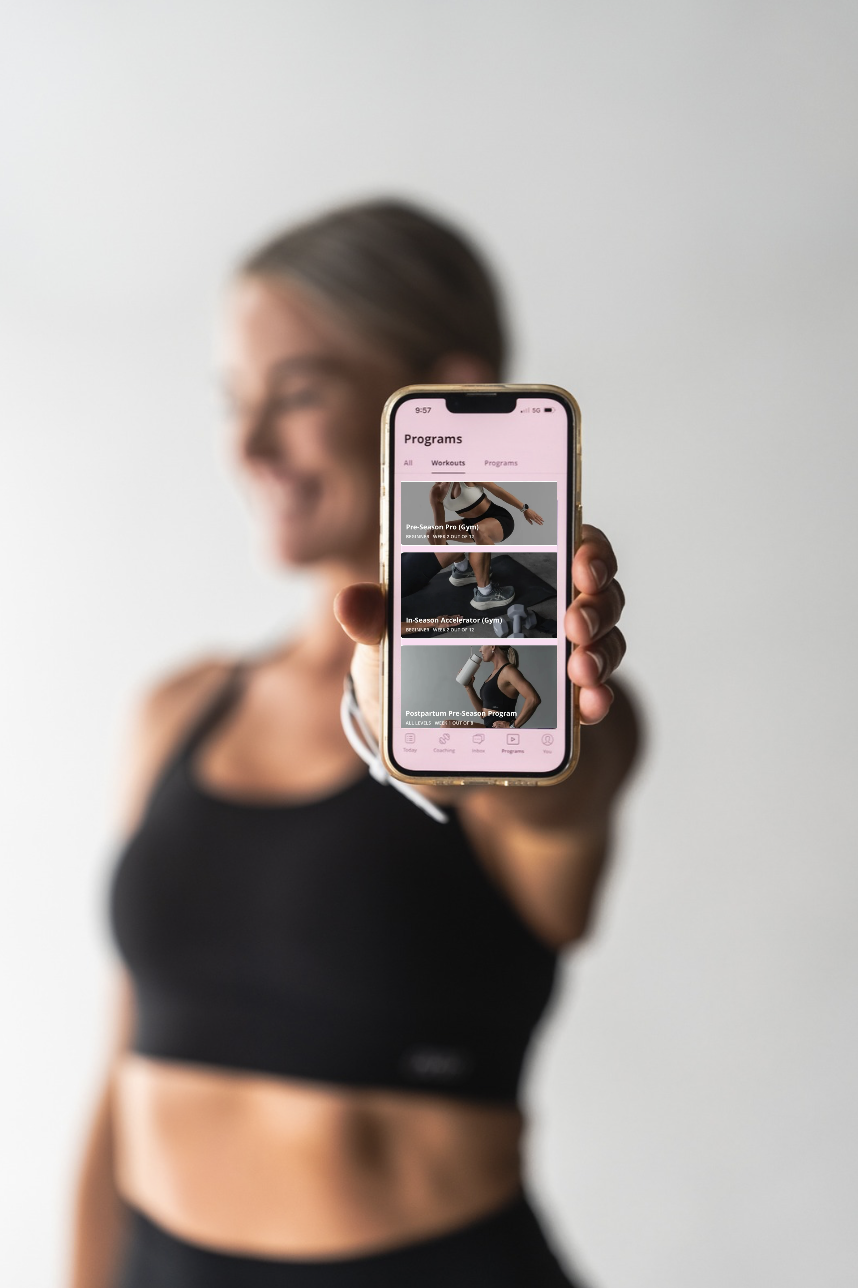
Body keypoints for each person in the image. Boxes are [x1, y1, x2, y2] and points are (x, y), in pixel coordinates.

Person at [69, 199, 638, 1288]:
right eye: (235, 401)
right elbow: (120, 1078)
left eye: (297, 392)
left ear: (449, 390)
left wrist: (462, 743)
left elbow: (556, 808)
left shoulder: (550, 711)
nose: (248, 443)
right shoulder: (175, 711)